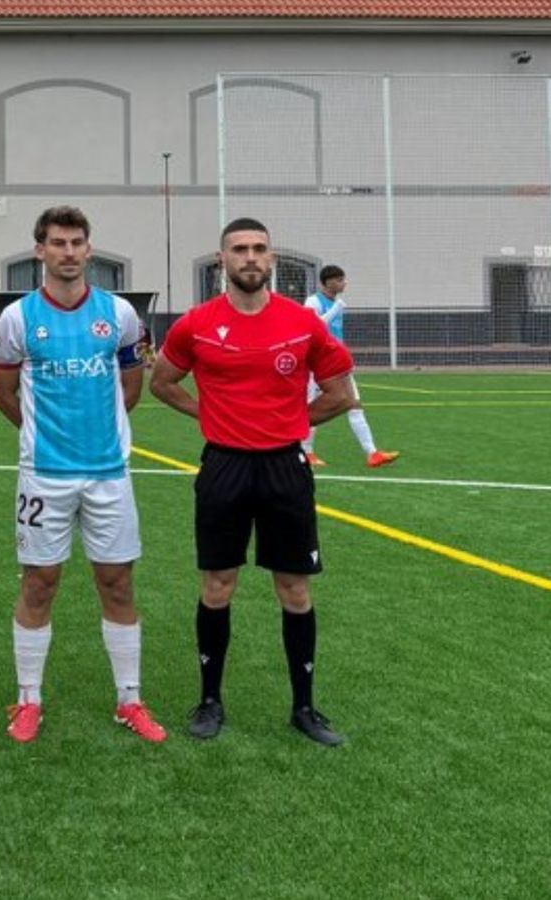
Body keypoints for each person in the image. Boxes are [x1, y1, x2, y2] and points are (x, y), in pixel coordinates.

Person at [148, 217, 355, 747]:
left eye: (259, 249)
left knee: (294, 587)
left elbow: (341, 392)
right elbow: (163, 382)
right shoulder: (195, 324)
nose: (250, 257)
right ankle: (210, 700)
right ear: (223, 260)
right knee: (218, 586)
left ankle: (304, 707)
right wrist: (206, 413)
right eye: (239, 249)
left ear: (272, 260)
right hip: (224, 466)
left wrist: (295, 421)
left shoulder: (302, 324)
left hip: (286, 467)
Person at [0, 206, 167, 745]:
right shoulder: (16, 320)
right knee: (39, 584)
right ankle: (27, 701)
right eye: (57, 243)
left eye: (77, 242)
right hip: (44, 476)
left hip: (109, 474)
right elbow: (4, 394)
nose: (68, 252)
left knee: (117, 581)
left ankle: (130, 701)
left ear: (90, 250)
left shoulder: (121, 316)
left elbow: (131, 387)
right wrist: (41, 436)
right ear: (39, 250)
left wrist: (98, 436)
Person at [301, 265, 400, 469]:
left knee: (354, 404)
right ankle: (307, 452)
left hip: (337, 363)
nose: (343, 283)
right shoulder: (313, 301)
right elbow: (311, 327)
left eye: (343, 279)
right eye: (339, 279)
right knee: (311, 407)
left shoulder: (337, 302)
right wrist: (336, 310)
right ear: (327, 282)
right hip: (317, 362)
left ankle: (372, 453)